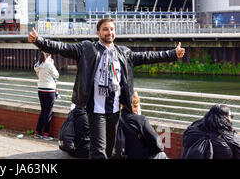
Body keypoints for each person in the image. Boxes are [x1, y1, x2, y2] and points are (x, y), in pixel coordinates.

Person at [28, 18, 185, 159]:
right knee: (98, 151)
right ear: (98, 32)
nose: (109, 32)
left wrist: (173, 53)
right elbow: (62, 48)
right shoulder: (87, 49)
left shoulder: (123, 53)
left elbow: (147, 57)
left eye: (111, 29)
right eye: (105, 29)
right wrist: (39, 41)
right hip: (96, 110)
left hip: (115, 110)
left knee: (110, 150)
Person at [115, 92, 168, 159]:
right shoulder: (141, 120)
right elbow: (158, 145)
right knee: (162, 154)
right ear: (135, 106)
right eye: (137, 105)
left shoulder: (116, 120)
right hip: (144, 156)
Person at [33, 51, 59, 140]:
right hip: (49, 90)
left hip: (40, 89)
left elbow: (38, 72)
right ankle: (46, 134)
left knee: (43, 111)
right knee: (48, 112)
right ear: (49, 55)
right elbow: (57, 75)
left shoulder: (37, 64)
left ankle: (37, 132)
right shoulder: (49, 64)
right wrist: (52, 64)